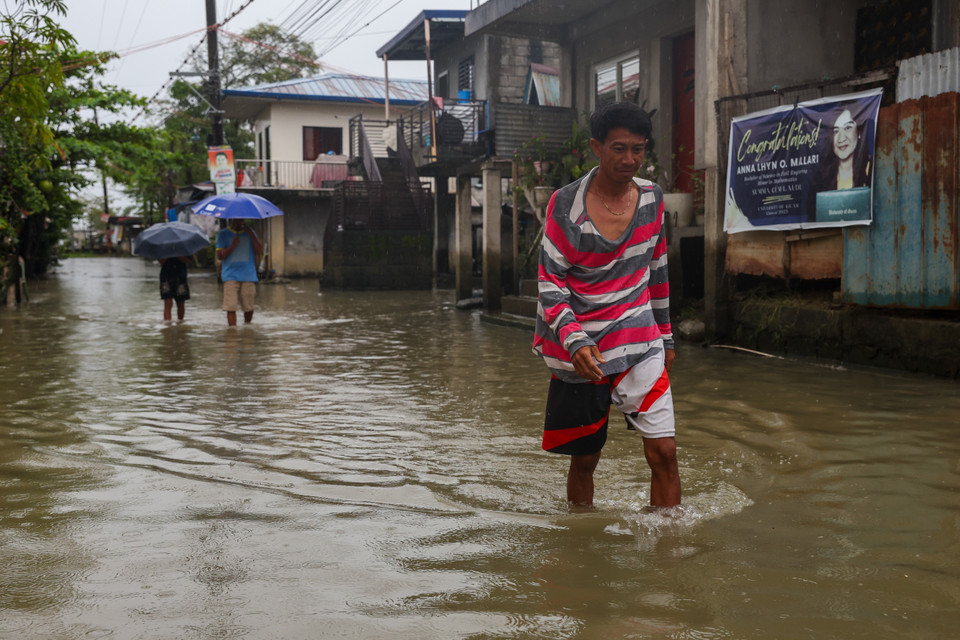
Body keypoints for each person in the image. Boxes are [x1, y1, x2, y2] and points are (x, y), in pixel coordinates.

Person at [532, 101, 680, 509]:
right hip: (584, 348)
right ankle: (581, 541)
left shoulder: (652, 198)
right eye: (618, 148)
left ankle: (669, 552)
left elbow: (658, 271)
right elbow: (551, 281)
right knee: (585, 459)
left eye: (638, 149)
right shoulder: (566, 204)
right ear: (596, 148)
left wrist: (666, 339)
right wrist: (575, 340)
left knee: (665, 453)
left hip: (640, 339)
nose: (629, 159)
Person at [808, 106, 872, 219]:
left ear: (859, 132)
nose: (841, 138)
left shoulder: (871, 172)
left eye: (848, 128)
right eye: (836, 131)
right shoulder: (819, 180)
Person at [216, 219, 263, 326]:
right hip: (230, 276)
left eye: (241, 219)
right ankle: (233, 334)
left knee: (249, 307)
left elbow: (260, 250)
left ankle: (247, 328)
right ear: (232, 219)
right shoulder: (223, 234)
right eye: (236, 219)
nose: (239, 221)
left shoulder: (250, 233)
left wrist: (251, 234)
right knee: (230, 307)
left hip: (248, 275)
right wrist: (233, 246)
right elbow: (219, 256)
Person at [159, 256, 191, 321]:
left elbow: (188, 261)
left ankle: (180, 322)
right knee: (168, 302)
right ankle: (168, 325)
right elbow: (161, 261)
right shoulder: (163, 249)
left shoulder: (183, 249)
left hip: (181, 277)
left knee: (180, 303)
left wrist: (179, 255)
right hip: (166, 277)